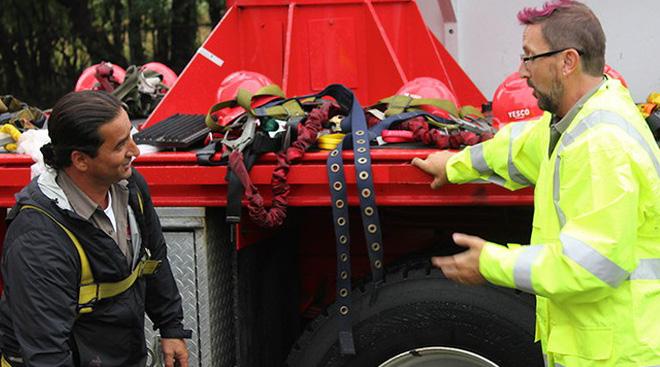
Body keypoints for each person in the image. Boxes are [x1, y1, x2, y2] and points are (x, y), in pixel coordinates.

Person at [412, 1, 660, 366]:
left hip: (617, 353)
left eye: (529, 57)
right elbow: (519, 148)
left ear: (567, 61)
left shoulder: (602, 146)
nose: (521, 71)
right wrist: (455, 165)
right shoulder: (579, 118)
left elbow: (591, 266)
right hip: (600, 340)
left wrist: (491, 263)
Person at [0, 91, 191, 367]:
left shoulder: (130, 187)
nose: (135, 151)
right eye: (119, 145)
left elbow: (153, 259)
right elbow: (47, 357)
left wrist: (171, 327)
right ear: (80, 160)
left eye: (131, 136)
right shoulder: (37, 241)